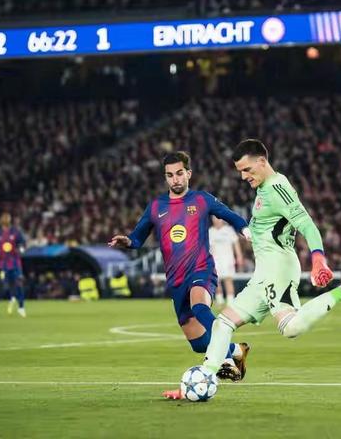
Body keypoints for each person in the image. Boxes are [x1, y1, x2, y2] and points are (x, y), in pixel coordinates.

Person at [162, 139, 341, 400]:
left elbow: (307, 224)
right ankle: (201, 380)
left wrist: (318, 257)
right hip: (264, 272)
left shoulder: (278, 187)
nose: (243, 176)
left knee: (290, 328)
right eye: (240, 172)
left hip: (279, 267)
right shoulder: (263, 188)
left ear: (262, 161)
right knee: (222, 324)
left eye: (247, 170)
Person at [108, 151, 252, 384]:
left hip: (201, 269)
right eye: (170, 175)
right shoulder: (156, 206)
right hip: (176, 280)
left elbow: (230, 216)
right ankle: (236, 350)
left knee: (199, 306)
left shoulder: (202, 200)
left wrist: (245, 230)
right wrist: (128, 241)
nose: (175, 179)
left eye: (179, 173)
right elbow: (137, 238)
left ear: (188, 174)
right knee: (198, 344)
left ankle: (225, 361)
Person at [0, 212, 27, 317]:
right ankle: (12, 298)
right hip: (3, 264)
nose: (6, 220)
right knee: (6, 285)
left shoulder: (15, 232)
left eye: (8, 218)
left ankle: (21, 307)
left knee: (19, 283)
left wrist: (21, 250)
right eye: (4, 218)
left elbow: (23, 244)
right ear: (1, 220)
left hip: (15, 262)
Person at [209, 217, 244, 306]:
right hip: (215, 259)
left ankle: (230, 301)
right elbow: (209, 247)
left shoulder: (229, 230)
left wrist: (239, 256)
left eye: (218, 219)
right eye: (214, 219)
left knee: (228, 279)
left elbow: (236, 243)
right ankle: (219, 300)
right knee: (216, 281)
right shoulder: (210, 231)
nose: (217, 220)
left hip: (228, 259)